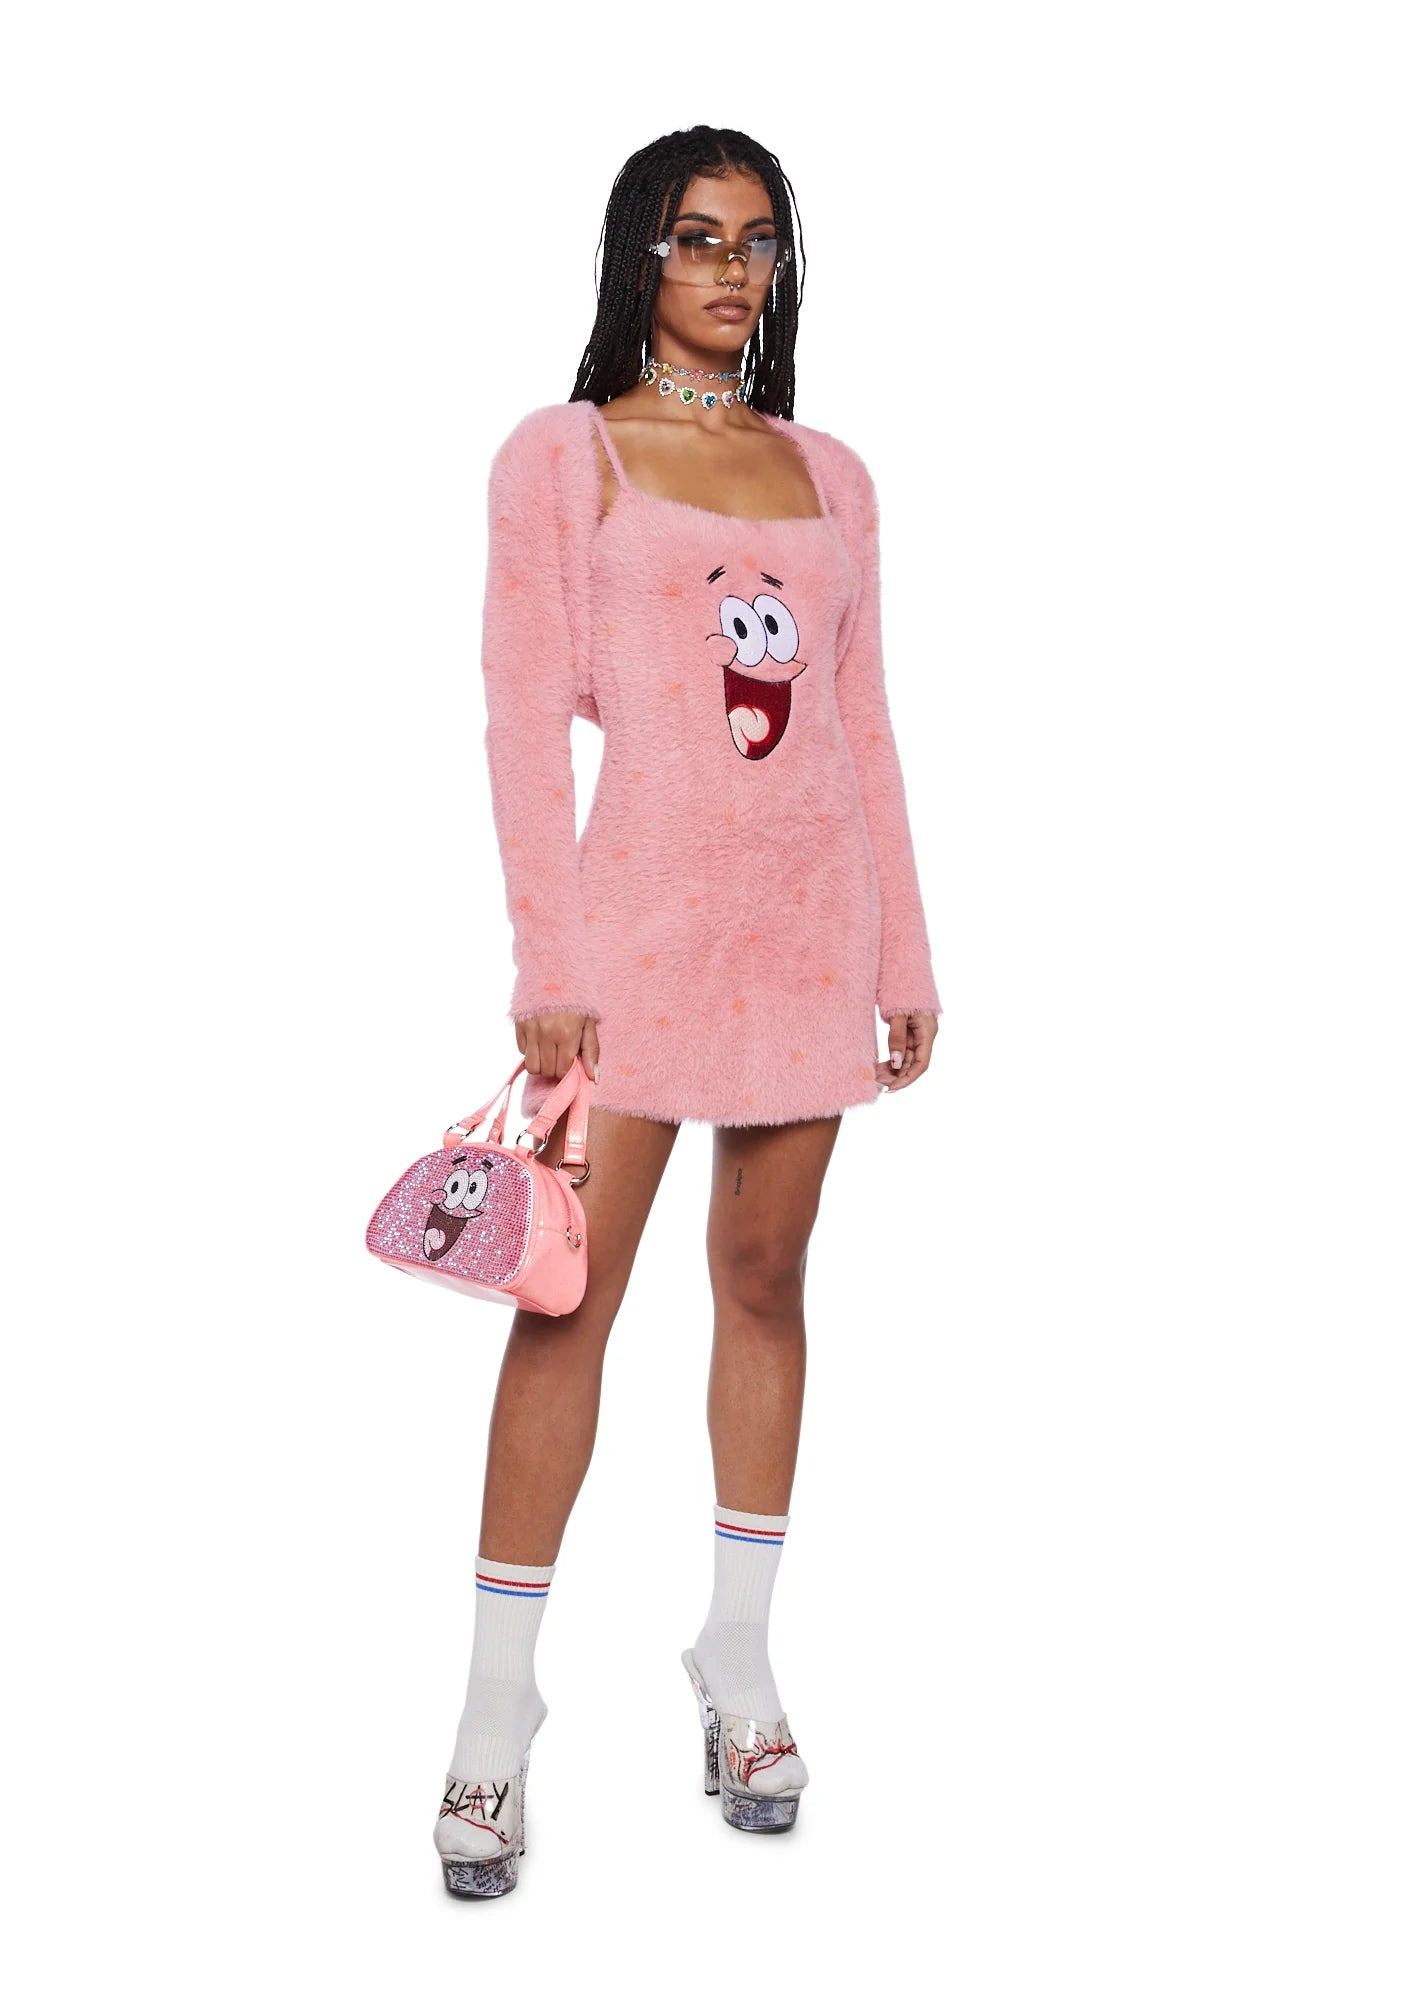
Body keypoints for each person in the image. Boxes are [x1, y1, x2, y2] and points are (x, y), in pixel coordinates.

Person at [435, 125, 944, 1898]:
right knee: (565, 1302)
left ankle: (737, 1661)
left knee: (765, 1282)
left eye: (756, 241)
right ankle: (495, 1713)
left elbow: (860, 723)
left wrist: (902, 958)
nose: (731, 269)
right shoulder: (563, 455)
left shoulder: (830, 473)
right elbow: (518, 718)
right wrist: (549, 964)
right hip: (634, 937)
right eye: (696, 238)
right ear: (636, 258)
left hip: (810, 928)